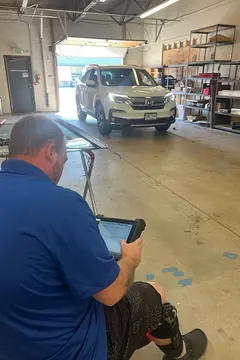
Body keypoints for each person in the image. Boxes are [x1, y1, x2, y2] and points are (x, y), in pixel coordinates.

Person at [0, 115, 207, 360]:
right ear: (50, 151)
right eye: (63, 160)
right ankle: (180, 352)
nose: (61, 170)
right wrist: (129, 261)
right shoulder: (62, 205)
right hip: (71, 351)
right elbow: (110, 295)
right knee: (152, 292)